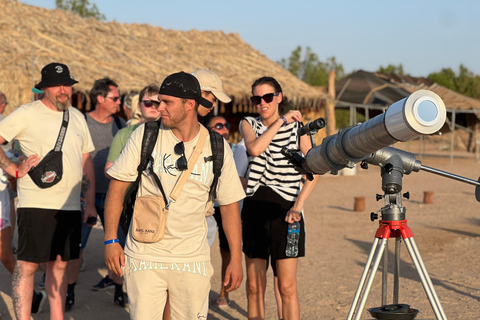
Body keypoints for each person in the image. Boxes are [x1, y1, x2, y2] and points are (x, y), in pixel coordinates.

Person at [104, 71, 244, 319]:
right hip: (144, 255)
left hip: (192, 258)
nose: (160, 108)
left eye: (167, 102)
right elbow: (117, 187)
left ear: (190, 105)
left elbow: (230, 205)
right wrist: (110, 239)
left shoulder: (218, 146)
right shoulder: (145, 136)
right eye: (159, 101)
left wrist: (235, 258)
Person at [0, 62, 96, 320]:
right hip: (36, 203)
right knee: (28, 265)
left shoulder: (76, 116)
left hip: (70, 205)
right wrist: (13, 168)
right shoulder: (26, 113)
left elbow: (86, 159)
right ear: (44, 88)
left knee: (61, 266)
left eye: (67, 84)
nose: (63, 90)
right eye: (57, 85)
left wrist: (89, 203)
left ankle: (57, 316)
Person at [240, 76, 320, 320]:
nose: (262, 103)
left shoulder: (298, 129)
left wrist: (299, 205)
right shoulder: (249, 124)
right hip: (254, 208)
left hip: (287, 212)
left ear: (279, 97)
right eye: (257, 98)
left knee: (286, 287)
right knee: (255, 287)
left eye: (268, 97)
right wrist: (281, 120)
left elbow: (314, 171)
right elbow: (255, 149)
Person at [65, 77, 127, 311]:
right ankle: (69, 292)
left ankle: (119, 291)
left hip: (114, 196)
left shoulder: (121, 124)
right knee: (76, 248)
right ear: (100, 98)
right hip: (83, 198)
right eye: (114, 97)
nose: (119, 102)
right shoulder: (81, 122)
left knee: (117, 246)